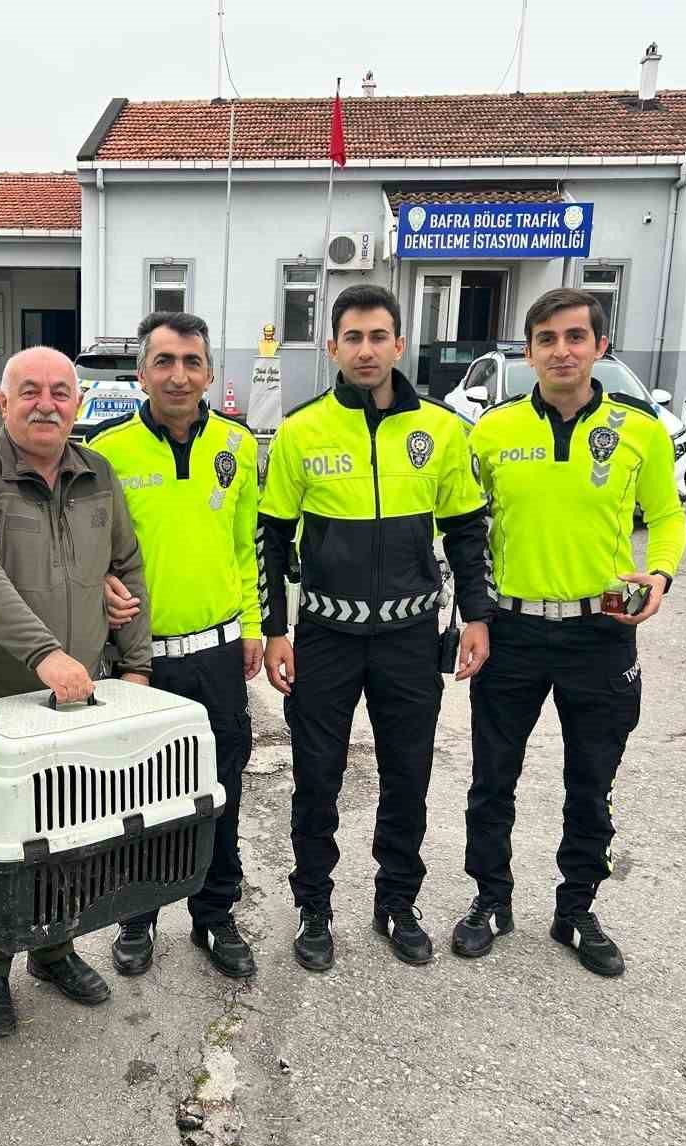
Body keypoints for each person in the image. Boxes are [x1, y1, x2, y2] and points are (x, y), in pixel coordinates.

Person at [257, 283, 496, 973]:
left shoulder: (444, 431)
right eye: (352, 338)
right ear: (333, 347)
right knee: (317, 780)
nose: (366, 350)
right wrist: (276, 629)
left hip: (410, 638)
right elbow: (271, 539)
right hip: (327, 638)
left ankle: (397, 901)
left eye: (378, 337)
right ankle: (314, 906)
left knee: (407, 777)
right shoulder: (303, 430)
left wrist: (475, 615)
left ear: (399, 343)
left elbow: (465, 532)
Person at [454, 288, 686, 977]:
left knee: (591, 780)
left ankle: (577, 909)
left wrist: (662, 576)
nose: (562, 351)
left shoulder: (637, 430)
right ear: (528, 352)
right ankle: (491, 900)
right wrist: (471, 611)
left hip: (601, 632)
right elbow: (465, 527)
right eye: (547, 339)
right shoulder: (491, 433)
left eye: (576, 337)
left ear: (600, 347)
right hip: (513, 631)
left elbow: (667, 519)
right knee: (492, 779)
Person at [0, 345, 153, 1037]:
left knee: (68, 835)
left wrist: (137, 665)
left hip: (76, 701)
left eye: (61, 392)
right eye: (30, 391)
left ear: (78, 405)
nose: (46, 404)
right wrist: (46, 654)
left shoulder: (98, 474)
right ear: (3, 402)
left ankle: (55, 948)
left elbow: (128, 565)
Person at [91, 310, 260, 979]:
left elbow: (246, 548)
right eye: (164, 361)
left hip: (218, 654)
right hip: (140, 660)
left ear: (210, 372)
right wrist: (99, 582)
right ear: (141, 373)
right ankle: (137, 916)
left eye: (192, 362)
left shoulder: (239, 446)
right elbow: (84, 548)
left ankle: (215, 916)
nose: (178, 375)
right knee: (140, 794)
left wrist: (250, 627)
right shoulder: (106, 451)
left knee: (221, 791)